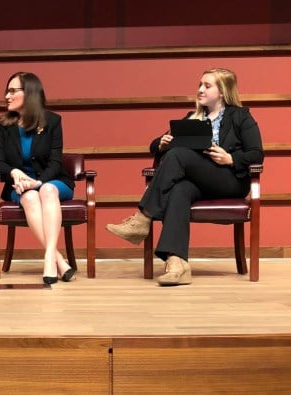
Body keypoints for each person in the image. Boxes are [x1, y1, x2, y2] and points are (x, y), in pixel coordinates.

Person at [106, 68, 264, 286]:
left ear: (222, 92)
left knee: (178, 154)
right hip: (199, 181)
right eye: (200, 84)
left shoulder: (240, 116)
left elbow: (256, 153)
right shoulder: (193, 117)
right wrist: (161, 144)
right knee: (179, 189)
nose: (200, 90)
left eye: (207, 86)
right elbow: (154, 143)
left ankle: (143, 218)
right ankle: (177, 263)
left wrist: (230, 158)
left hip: (229, 180)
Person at [0, 72, 76, 285]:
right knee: (29, 198)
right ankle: (57, 259)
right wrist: (14, 172)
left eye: (12, 91)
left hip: (54, 182)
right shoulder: (5, 125)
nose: (7, 96)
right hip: (20, 187)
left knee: (46, 191)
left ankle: (49, 258)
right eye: (7, 91)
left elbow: (56, 163)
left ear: (28, 93)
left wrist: (38, 182)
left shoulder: (53, 121)